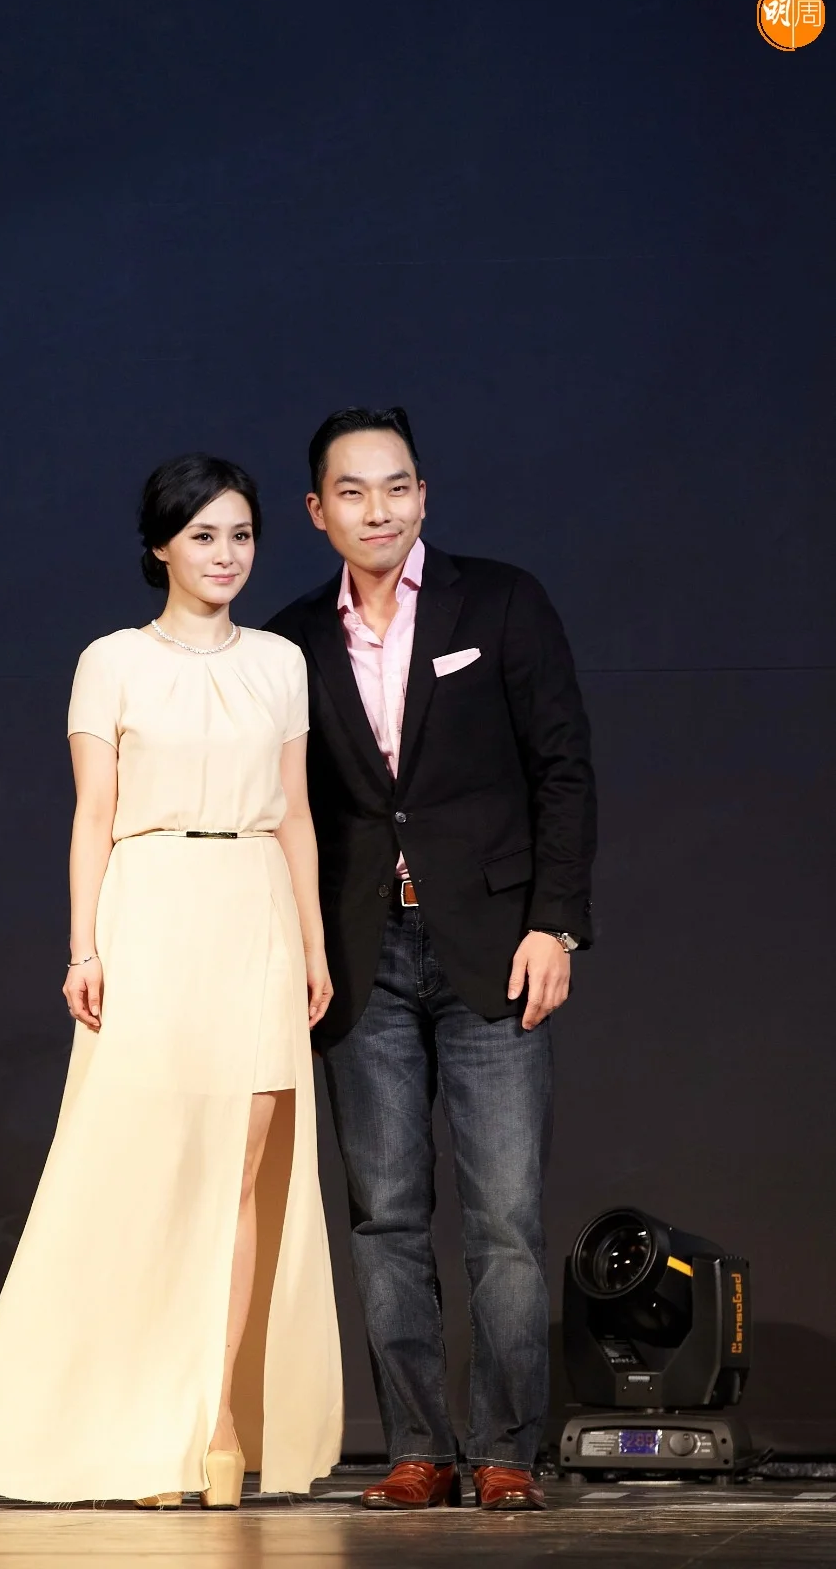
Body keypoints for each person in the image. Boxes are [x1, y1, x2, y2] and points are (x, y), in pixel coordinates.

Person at [0, 453, 342, 1507]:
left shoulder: (278, 663)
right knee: (154, 1170)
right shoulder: (112, 661)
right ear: (161, 547)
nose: (226, 555)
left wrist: (314, 945)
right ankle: (139, 1424)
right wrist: (83, 947)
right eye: (204, 535)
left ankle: (213, 1422)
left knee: (242, 1176)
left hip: (255, 907)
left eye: (242, 535)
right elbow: (92, 814)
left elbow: (296, 813)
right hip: (154, 906)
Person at [267, 407, 596, 1512]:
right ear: (317, 511)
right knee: (386, 1218)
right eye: (352, 491)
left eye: (396, 486)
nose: (379, 509)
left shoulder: (498, 601)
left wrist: (556, 924)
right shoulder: (290, 639)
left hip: (493, 947)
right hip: (361, 956)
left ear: (424, 494)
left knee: (504, 1221)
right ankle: (418, 1447)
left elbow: (563, 769)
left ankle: (505, 1451)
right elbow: (291, 810)